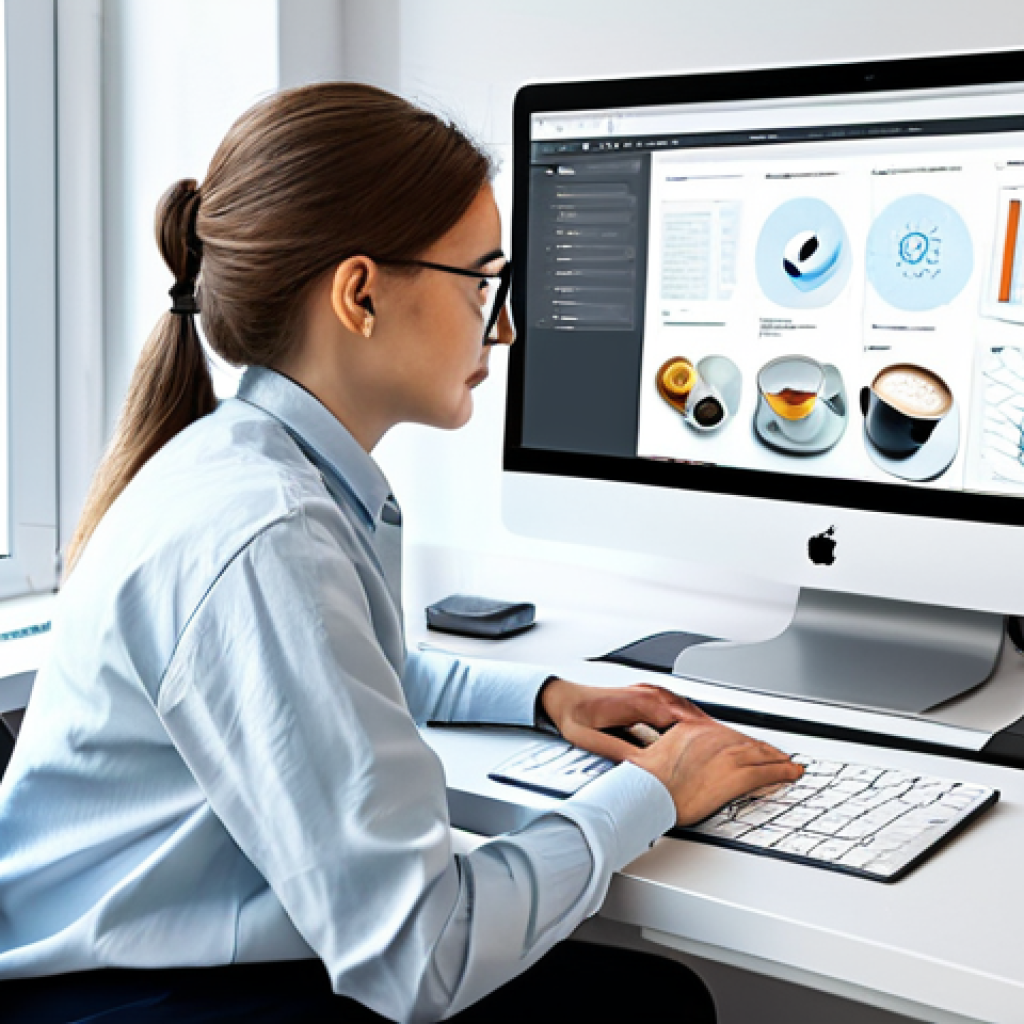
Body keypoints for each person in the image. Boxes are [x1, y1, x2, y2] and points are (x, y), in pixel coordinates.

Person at [0, 82, 802, 1023]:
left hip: (145, 957)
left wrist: (542, 698)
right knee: (652, 1006)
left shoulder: (253, 463)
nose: (502, 326)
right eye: (483, 281)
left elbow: (340, 680)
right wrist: (649, 793)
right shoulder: (269, 536)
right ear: (362, 294)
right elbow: (423, 957)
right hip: (129, 1001)